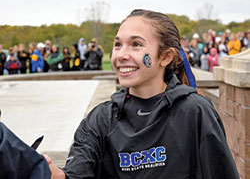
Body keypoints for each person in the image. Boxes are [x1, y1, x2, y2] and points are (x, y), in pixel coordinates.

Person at [45, 9, 239, 179]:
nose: (121, 55)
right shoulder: (100, 120)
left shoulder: (195, 112)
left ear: (165, 57)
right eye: (118, 45)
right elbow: (78, 171)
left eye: (136, 44)